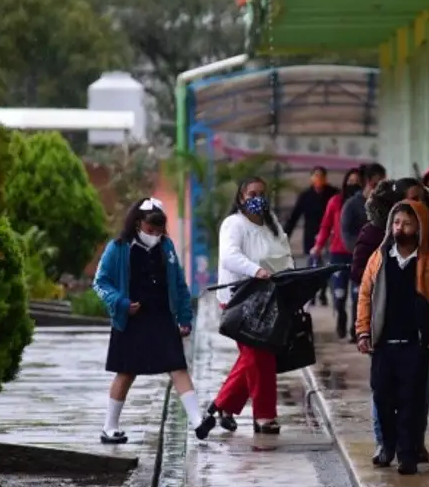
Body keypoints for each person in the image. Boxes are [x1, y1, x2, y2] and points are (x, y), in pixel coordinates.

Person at [94, 197, 213, 443]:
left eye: (159, 230)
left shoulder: (166, 247)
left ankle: (198, 422)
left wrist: (184, 317)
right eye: (151, 229)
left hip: (161, 316)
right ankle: (109, 427)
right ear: (138, 223)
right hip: (130, 319)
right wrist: (122, 303)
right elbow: (101, 282)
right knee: (126, 372)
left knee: (178, 367)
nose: (155, 234)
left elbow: (179, 284)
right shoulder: (118, 248)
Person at [355, 199, 429, 476]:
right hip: (383, 345)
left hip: (416, 344)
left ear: (420, 227)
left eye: (408, 223)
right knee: (383, 398)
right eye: (397, 222)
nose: (401, 228)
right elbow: (365, 296)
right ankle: (387, 446)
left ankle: (407, 454)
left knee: (411, 402)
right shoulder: (379, 258)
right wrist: (363, 331)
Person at [206, 177, 295, 435]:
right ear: (241, 197)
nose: (257, 198)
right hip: (241, 302)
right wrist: (256, 271)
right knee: (260, 358)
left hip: (270, 300)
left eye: (261, 193)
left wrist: (289, 277)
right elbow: (230, 256)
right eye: (251, 194)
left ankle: (224, 404)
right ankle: (264, 416)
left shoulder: (272, 224)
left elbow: (285, 252)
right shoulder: (233, 224)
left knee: (253, 358)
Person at [311, 167, 365, 339]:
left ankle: (355, 329)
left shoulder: (367, 204)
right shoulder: (335, 201)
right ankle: (341, 317)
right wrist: (318, 246)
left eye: (357, 182)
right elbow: (326, 225)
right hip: (338, 254)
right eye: (350, 181)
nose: (354, 185)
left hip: (359, 254)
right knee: (339, 294)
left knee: (358, 295)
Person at [284, 166, 338, 306]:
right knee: (311, 266)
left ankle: (323, 292)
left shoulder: (333, 194)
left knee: (325, 265)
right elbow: (294, 217)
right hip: (311, 235)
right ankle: (311, 294)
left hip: (328, 235)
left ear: (325, 178)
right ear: (311, 178)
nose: (318, 179)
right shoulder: (306, 196)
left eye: (321, 176)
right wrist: (285, 236)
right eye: (315, 176)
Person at [341, 163, 387, 252]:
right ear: (370, 182)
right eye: (378, 184)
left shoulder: (384, 203)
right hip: (360, 256)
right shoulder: (351, 205)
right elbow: (347, 236)